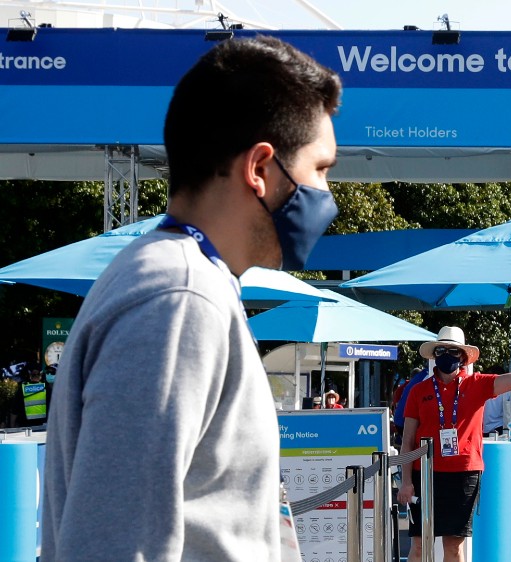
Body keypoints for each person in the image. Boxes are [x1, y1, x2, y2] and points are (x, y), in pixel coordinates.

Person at [42, 37, 342, 561]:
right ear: (260, 169)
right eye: (321, 169)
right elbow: (114, 545)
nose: (328, 195)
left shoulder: (185, 281)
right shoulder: (178, 297)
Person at [397, 326, 511, 562]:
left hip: (464, 473)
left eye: (453, 351)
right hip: (424, 474)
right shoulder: (419, 390)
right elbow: (407, 441)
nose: (446, 355)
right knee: (420, 544)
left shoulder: (478, 384)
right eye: (441, 350)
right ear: (433, 355)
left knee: (453, 545)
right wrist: (406, 482)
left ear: (463, 357)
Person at [13, 362, 48, 427]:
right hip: (42, 427)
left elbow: (15, 410)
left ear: (29, 374)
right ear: (41, 374)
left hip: (26, 427)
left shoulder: (22, 389)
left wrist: (12, 426)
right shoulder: (46, 388)